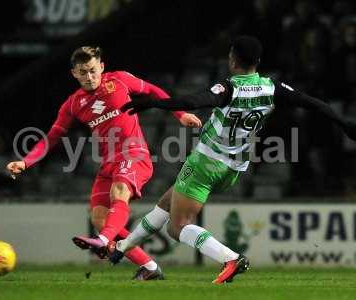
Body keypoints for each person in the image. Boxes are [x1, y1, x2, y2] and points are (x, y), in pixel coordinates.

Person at [107, 36, 356, 284]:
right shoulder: (272, 88)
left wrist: (155, 103)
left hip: (205, 163)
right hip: (235, 167)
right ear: (257, 62)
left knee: (177, 227)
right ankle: (123, 246)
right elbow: (314, 103)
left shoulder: (230, 88)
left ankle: (231, 258)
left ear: (233, 60)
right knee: (166, 203)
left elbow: (195, 101)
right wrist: (344, 124)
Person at [6, 46, 202, 280]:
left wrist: (181, 114)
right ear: (74, 74)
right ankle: (150, 267)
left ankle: (102, 241)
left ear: (101, 66)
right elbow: (51, 138)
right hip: (108, 162)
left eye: (92, 70)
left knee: (118, 192)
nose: (89, 77)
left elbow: (153, 90)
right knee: (99, 218)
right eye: (83, 72)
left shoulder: (119, 80)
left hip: (134, 154)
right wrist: (25, 162)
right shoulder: (72, 104)